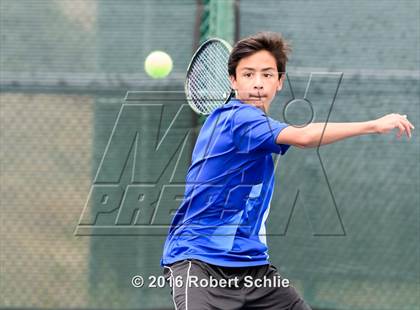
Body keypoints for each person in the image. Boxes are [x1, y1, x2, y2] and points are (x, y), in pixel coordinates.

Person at [160, 32, 414, 310]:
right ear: (233, 81)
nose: (258, 83)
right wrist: (372, 125)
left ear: (280, 81)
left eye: (267, 75)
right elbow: (304, 137)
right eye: (248, 75)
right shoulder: (238, 118)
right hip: (200, 263)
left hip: (253, 267)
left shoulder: (250, 123)